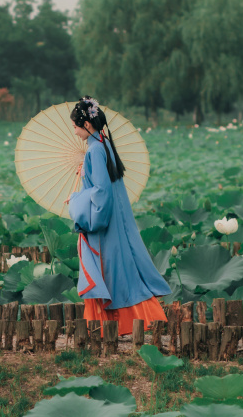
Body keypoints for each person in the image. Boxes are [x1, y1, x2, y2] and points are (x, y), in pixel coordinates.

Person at [64, 97, 171, 336]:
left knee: (109, 271)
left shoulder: (94, 151)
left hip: (105, 224)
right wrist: (85, 174)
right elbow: (103, 184)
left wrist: (76, 199)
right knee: (124, 270)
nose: (74, 131)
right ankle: (138, 320)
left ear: (87, 125)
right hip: (118, 220)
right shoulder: (104, 144)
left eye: (75, 126)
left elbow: (101, 193)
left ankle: (108, 326)